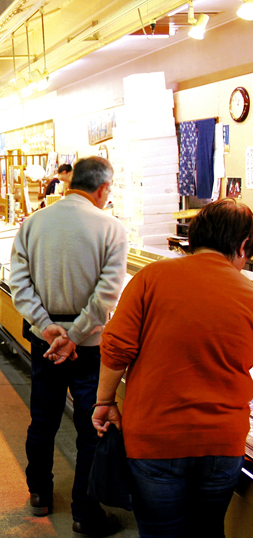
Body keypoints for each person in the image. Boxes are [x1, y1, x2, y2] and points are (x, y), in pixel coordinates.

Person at [93, 198, 253, 538]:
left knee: (159, 532)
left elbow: (117, 347)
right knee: (207, 530)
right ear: (242, 246)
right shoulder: (249, 293)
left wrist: (104, 402)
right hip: (221, 441)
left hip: (154, 436)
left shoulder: (152, 277)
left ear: (192, 238)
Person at [8, 156, 128, 537]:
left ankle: (40, 492)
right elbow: (107, 294)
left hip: (44, 342)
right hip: (90, 345)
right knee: (91, 424)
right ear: (104, 188)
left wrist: (48, 329)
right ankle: (85, 511)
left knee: (43, 417)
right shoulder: (112, 228)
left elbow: (20, 284)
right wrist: (74, 336)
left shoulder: (34, 222)